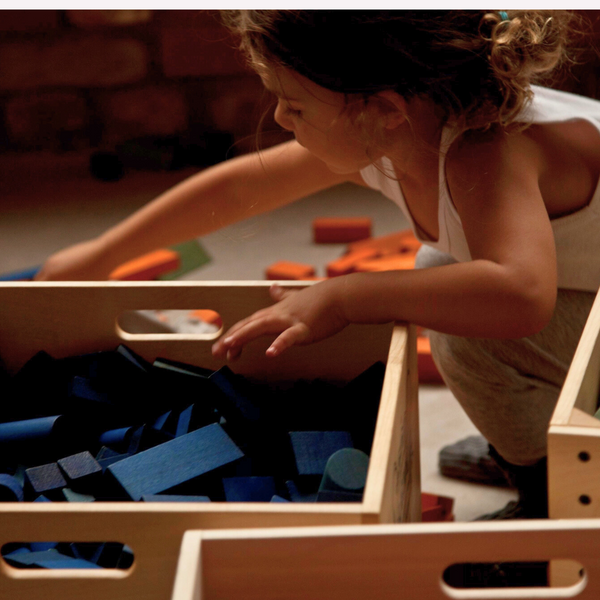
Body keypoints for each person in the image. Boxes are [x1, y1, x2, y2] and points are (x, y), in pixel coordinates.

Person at [36, 10, 600, 519]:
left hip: (571, 295)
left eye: (296, 105)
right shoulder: (402, 125)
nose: (280, 118)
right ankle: (532, 430)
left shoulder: (486, 151)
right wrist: (102, 254)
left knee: (460, 317)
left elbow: (522, 295)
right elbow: (239, 188)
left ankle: (553, 492)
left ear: (383, 109)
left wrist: (346, 295)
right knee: (442, 273)